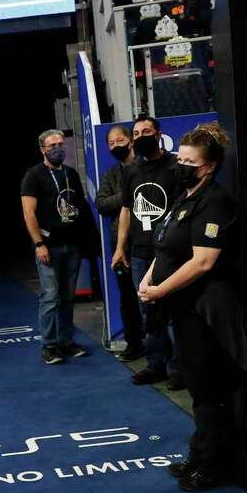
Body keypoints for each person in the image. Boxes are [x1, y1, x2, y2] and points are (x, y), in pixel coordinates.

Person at [139, 123, 247, 492]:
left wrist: (159, 291)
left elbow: (203, 261)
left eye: (189, 161)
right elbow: (168, 247)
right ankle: (202, 451)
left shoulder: (215, 201)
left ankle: (213, 462)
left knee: (210, 388)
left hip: (206, 310)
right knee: (196, 385)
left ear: (207, 167)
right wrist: (150, 280)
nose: (180, 164)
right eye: (180, 158)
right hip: (182, 308)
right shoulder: (184, 196)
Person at [113, 116, 184, 389]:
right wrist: (120, 247)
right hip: (140, 252)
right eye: (136, 132)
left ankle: (178, 369)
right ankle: (156, 365)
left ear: (158, 134)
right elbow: (127, 210)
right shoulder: (131, 170)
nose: (141, 136)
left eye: (146, 132)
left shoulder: (176, 166)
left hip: (170, 253)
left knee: (173, 313)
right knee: (148, 313)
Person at [21, 129, 98, 364]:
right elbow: (28, 213)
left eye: (61, 144)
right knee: (51, 296)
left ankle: (66, 340)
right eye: (52, 145)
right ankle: (49, 345)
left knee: (67, 296)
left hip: (72, 245)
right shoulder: (33, 175)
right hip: (48, 247)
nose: (58, 148)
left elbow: (81, 209)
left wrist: (88, 241)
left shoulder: (71, 174)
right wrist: (38, 244)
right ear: (43, 149)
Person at [93, 125, 144, 361]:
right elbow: (101, 204)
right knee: (127, 297)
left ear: (131, 141)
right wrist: (127, 194)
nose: (116, 146)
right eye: (111, 143)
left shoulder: (147, 167)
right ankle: (134, 344)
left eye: (120, 140)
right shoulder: (111, 175)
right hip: (121, 247)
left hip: (148, 243)